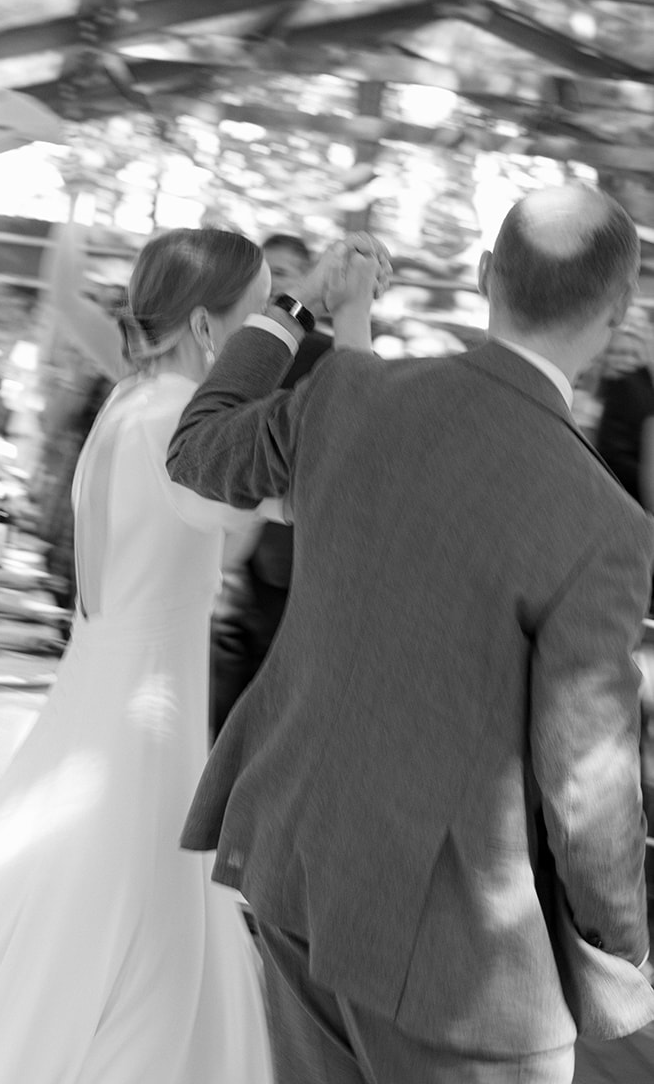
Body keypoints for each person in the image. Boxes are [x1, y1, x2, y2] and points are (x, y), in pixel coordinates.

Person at [0, 226, 373, 1084]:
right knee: (124, 932)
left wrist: (321, 314)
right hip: (142, 721)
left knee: (105, 925)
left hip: (109, 698)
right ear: (207, 328)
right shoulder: (172, 418)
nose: (264, 340)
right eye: (252, 317)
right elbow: (333, 472)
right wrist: (337, 319)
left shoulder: (131, 403)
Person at [167, 185, 654, 1083]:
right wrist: (624, 944)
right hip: (458, 962)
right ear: (619, 311)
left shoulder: (352, 393)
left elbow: (198, 445)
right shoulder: (605, 523)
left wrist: (292, 306)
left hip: (299, 873)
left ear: (485, 276)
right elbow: (586, 779)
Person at [210, 231, 334, 734]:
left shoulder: (327, 356)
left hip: (295, 556)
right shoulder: (243, 350)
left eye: (285, 273)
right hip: (239, 559)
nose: (276, 286)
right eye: (268, 275)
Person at [596, 304, 654, 509]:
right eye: (617, 352)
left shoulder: (637, 384)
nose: (622, 359)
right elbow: (611, 452)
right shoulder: (626, 385)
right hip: (627, 498)